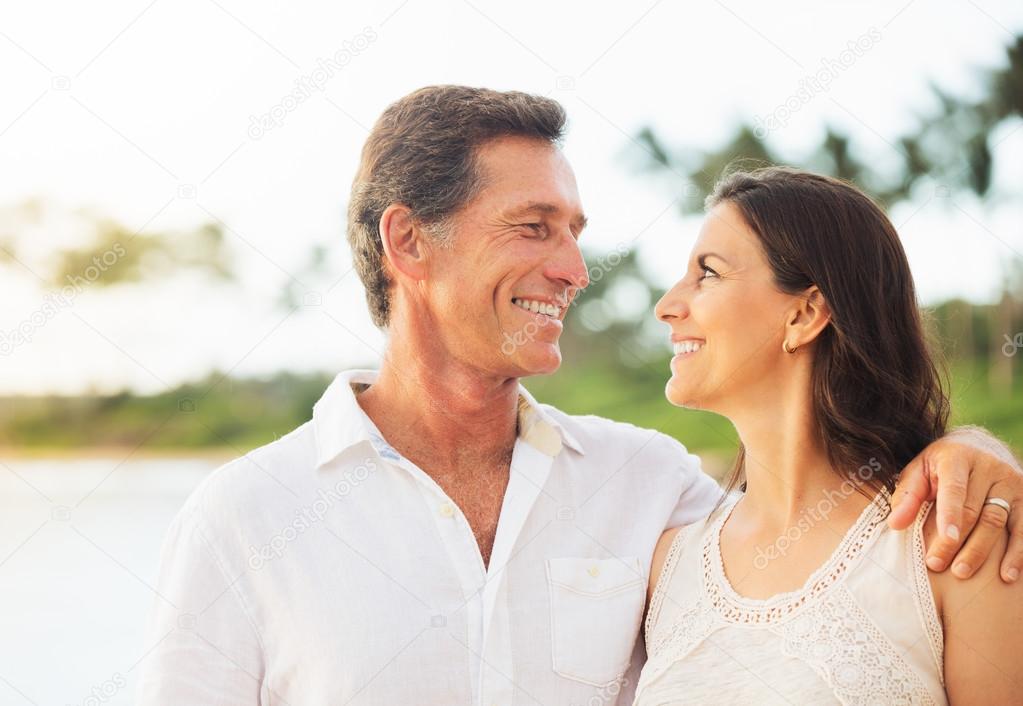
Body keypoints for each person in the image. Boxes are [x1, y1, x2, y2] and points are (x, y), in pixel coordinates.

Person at [137, 86, 1023, 705]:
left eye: (573, 232)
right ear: (408, 242)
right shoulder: (244, 519)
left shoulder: (651, 489)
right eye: (532, 227)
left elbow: (826, 541)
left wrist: (971, 448)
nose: (572, 269)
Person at [636, 167, 1023, 705]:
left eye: (709, 273)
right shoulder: (667, 564)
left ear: (805, 314)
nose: (667, 306)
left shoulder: (957, 540)